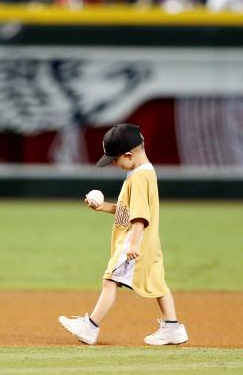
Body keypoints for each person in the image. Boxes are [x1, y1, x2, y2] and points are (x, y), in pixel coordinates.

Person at [58, 123, 189, 346]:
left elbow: (139, 216)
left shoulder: (137, 178)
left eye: (115, 159)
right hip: (150, 242)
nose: (114, 164)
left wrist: (132, 245)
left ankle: (90, 326)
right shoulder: (145, 172)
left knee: (109, 280)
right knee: (158, 284)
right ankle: (173, 327)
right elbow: (127, 211)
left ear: (129, 155)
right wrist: (104, 207)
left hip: (134, 240)